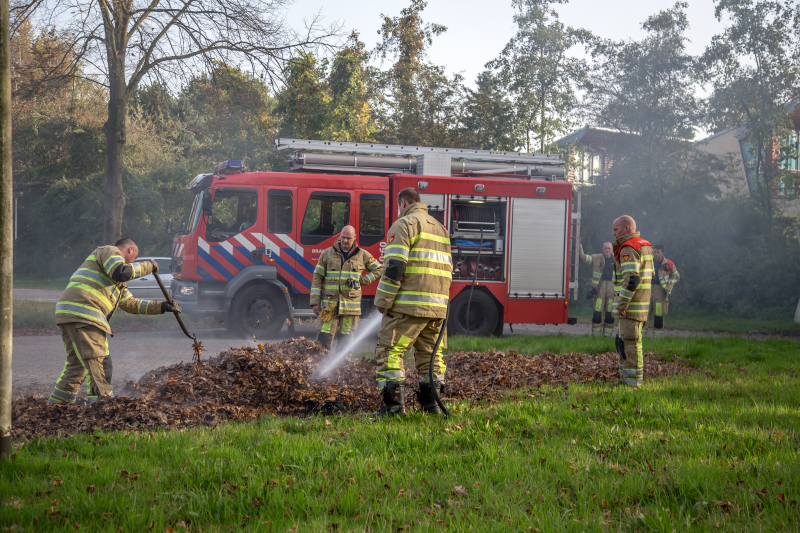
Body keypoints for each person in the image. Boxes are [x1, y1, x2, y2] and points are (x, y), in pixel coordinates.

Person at [48, 238, 180, 405]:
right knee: (100, 365)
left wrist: (162, 306)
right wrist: (149, 265)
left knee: (76, 367)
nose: (131, 263)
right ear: (130, 250)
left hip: (69, 313)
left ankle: (56, 408)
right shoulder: (109, 251)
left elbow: (131, 304)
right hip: (86, 312)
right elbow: (122, 271)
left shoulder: (117, 282)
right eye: (133, 259)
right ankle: (101, 411)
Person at [374, 187, 452, 416]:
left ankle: (394, 409)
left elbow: (395, 266)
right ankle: (433, 407)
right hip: (437, 307)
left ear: (403, 202)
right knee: (431, 355)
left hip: (408, 306)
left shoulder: (404, 224)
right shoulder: (441, 229)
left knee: (390, 351)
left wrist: (384, 300)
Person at [310, 225, 383, 350]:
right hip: (329, 304)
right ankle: (321, 362)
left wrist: (364, 280)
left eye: (348, 238)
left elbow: (379, 269)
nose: (345, 241)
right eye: (343, 237)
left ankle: (343, 366)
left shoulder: (363, 255)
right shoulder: (327, 254)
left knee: (346, 336)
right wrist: (315, 303)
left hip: (350, 306)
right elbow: (317, 278)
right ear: (340, 237)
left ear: (355, 239)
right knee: (325, 334)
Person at [611, 216, 653, 387]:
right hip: (639, 304)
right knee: (623, 341)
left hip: (630, 306)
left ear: (626, 228)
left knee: (630, 343)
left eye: (616, 230)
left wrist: (622, 304)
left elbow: (631, 279)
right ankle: (625, 380)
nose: (614, 233)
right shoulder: (645, 245)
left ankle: (632, 384)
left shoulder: (628, 247)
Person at [580, 241, 616, 337]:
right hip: (599, 289)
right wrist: (579, 245)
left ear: (612, 250)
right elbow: (582, 257)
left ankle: (607, 337)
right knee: (597, 313)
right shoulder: (596, 258)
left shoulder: (617, 259)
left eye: (609, 248)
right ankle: (596, 337)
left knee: (610, 314)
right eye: (606, 248)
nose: (607, 250)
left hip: (612, 289)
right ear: (602, 249)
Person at [644, 245, 681, 337]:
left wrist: (669, 284)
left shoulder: (669, 264)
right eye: (654, 252)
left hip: (660, 291)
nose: (655, 254)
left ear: (663, 253)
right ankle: (641, 338)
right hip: (647, 290)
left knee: (658, 315)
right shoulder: (648, 262)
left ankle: (657, 339)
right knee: (643, 314)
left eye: (658, 252)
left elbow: (677, 277)